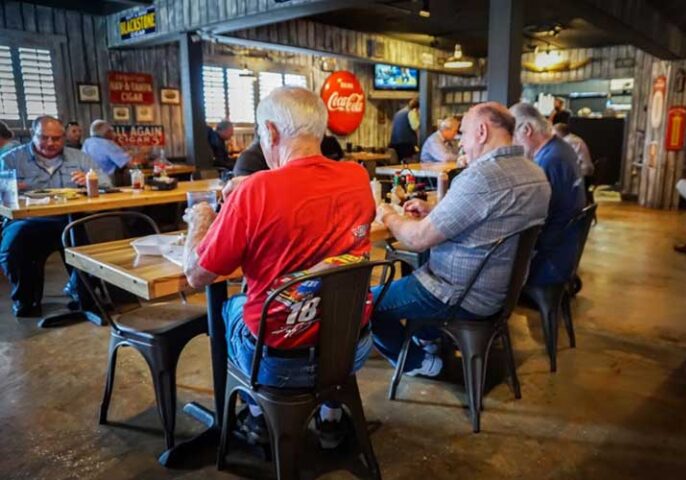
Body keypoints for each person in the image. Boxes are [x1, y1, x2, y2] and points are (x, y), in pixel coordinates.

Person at [182, 87, 375, 446]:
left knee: (228, 307)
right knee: (331, 298)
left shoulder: (254, 191)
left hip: (283, 364)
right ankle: (331, 420)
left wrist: (202, 218)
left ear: (270, 132)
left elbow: (196, 274)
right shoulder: (357, 177)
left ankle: (256, 419)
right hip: (353, 347)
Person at [372, 102, 551, 377]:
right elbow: (492, 218)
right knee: (412, 278)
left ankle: (418, 362)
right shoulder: (535, 173)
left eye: (463, 134)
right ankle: (428, 338)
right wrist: (435, 211)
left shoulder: (481, 177)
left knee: (364, 304)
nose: (460, 142)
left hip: (458, 293)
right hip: (501, 294)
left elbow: (417, 239)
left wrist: (386, 214)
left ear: (481, 131)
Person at [0, 116, 110, 317]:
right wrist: (8, 188)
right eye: (44, 138)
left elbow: (106, 184)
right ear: (33, 135)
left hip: (70, 218)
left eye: (56, 138)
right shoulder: (11, 159)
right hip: (26, 221)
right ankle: (25, 299)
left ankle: (83, 294)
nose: (50, 143)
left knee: (96, 240)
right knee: (12, 248)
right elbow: (2, 197)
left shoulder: (80, 158)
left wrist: (89, 182)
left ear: (64, 137)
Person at [510, 102, 586, 288]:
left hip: (550, 261)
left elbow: (532, 218)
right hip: (565, 248)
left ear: (527, 130)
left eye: (513, 136)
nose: (513, 144)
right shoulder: (561, 148)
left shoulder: (549, 160)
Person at [553, 122, 594, 202]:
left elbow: (558, 158)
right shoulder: (574, 138)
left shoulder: (567, 142)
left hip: (582, 177)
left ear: (558, 132)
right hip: (586, 174)